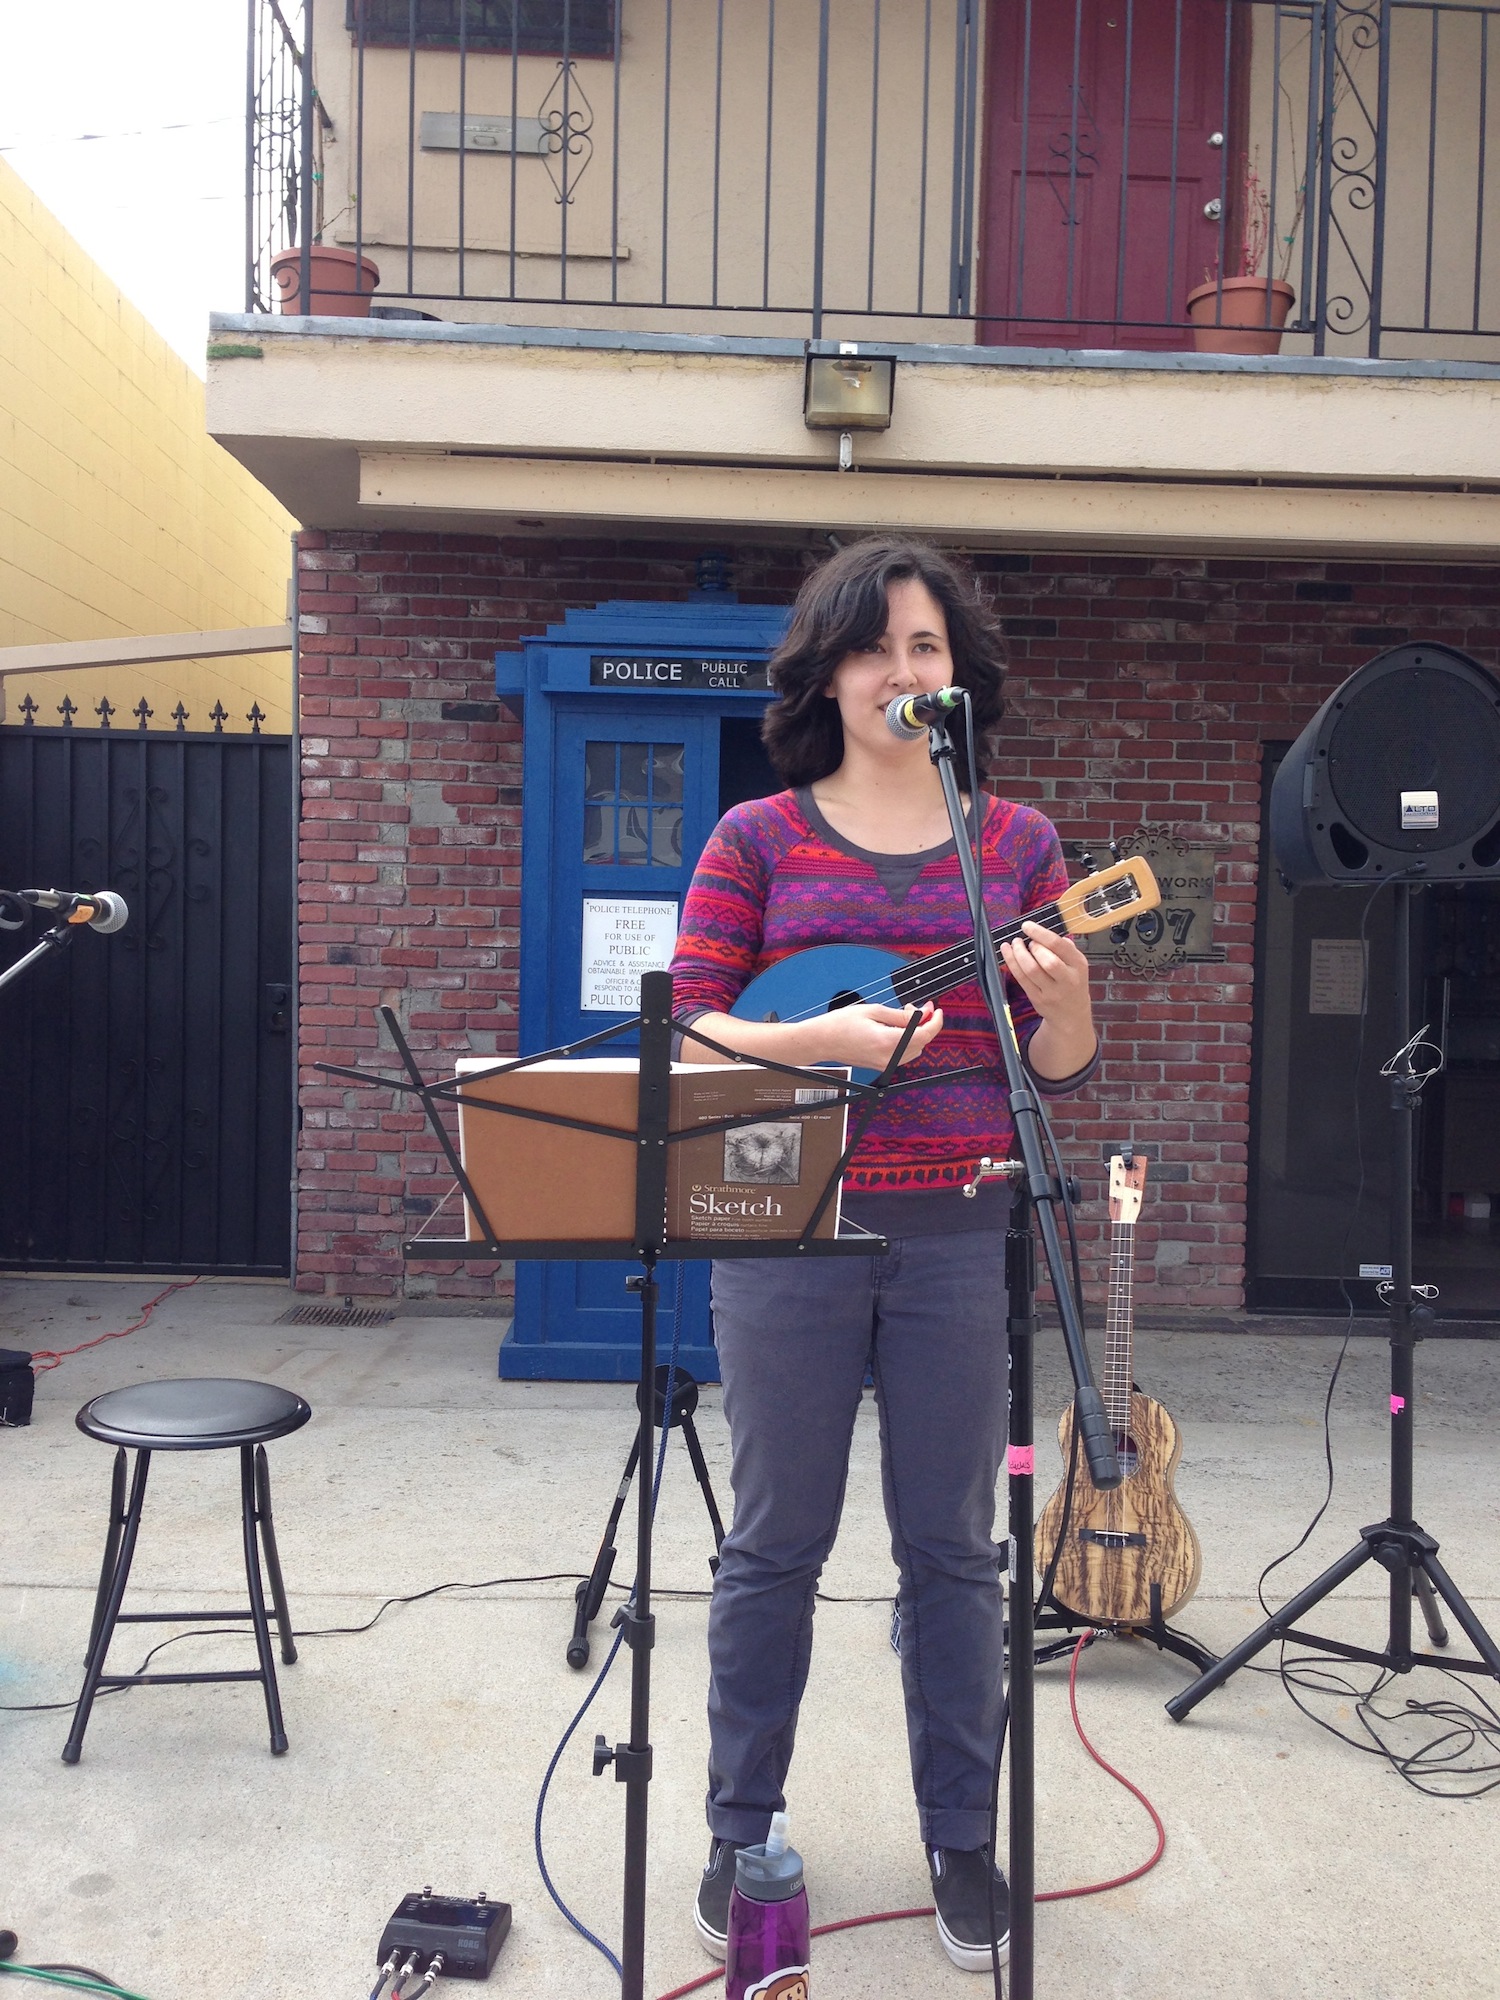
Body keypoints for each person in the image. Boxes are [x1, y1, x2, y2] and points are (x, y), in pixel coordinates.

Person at [669, 536, 1099, 1974]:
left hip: (956, 1226)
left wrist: (1073, 996)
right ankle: (741, 1828)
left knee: (953, 1553)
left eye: (925, 649)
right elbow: (695, 1023)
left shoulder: (1017, 847)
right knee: (774, 1539)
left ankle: (963, 1836)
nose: (901, 674)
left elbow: (1063, 1064)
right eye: (874, 648)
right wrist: (820, 1043)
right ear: (831, 671)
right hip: (786, 1218)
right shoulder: (760, 839)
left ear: (956, 676)